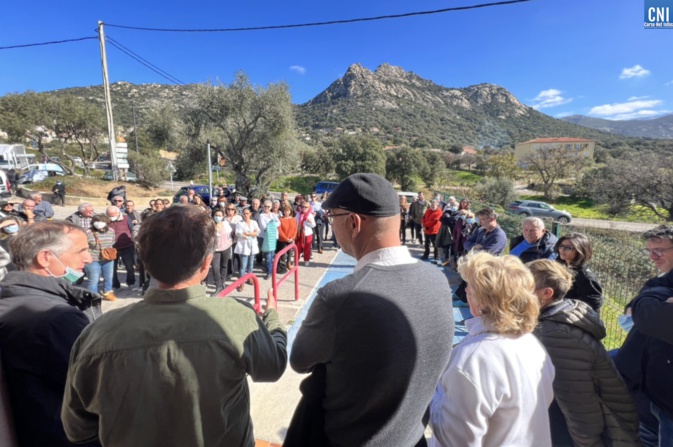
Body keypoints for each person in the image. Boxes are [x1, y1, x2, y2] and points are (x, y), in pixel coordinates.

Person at [61, 206, 287, 446]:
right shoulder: (236, 316)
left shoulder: (97, 333)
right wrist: (272, 318)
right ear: (206, 263)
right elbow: (273, 367)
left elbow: (77, 429)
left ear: (145, 261)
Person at [287, 173, 455, 446]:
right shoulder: (437, 280)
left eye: (333, 217)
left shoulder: (339, 297)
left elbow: (300, 361)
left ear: (353, 222)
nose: (332, 224)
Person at [430, 252, 555, 447]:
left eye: (470, 286)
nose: (466, 290)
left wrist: (431, 393)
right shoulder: (532, 344)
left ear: (483, 301)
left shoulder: (473, 358)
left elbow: (454, 439)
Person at [0, 221, 101, 447]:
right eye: (81, 251)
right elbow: (96, 389)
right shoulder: (57, 318)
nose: (89, 259)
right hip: (66, 435)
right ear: (45, 258)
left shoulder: (12, 299)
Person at [527, 259, 640, 446]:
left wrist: (586, 442)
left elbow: (579, 405)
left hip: (578, 432)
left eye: (523, 287)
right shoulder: (563, 313)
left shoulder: (556, 334)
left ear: (546, 293)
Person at [615, 225, 673, 447]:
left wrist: (643, 304)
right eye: (649, 251)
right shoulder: (666, 279)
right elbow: (640, 305)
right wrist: (643, 302)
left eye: (659, 250)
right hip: (654, 392)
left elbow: (652, 316)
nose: (652, 257)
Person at [554, 232, 603, 313]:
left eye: (568, 248)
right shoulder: (561, 267)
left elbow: (591, 309)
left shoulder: (586, 278)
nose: (561, 250)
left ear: (580, 251)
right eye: (560, 246)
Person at [83, 214, 117, 302]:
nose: (98, 223)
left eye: (101, 221)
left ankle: (107, 293)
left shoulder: (111, 231)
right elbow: (82, 245)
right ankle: (92, 297)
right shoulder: (88, 232)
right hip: (93, 259)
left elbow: (113, 241)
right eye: (96, 221)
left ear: (106, 222)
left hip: (108, 258)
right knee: (93, 279)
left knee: (109, 278)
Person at [106, 205, 135, 289]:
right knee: (112, 268)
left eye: (113, 215)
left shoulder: (126, 218)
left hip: (127, 246)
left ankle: (130, 282)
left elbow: (132, 229)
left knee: (129, 266)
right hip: (112, 248)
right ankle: (115, 284)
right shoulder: (105, 220)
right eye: (110, 215)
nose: (111, 217)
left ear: (118, 213)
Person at [234, 207, 260, 291]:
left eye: (247, 213)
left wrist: (248, 234)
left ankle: (249, 278)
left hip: (252, 246)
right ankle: (241, 283)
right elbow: (238, 234)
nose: (245, 215)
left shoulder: (254, 222)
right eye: (244, 213)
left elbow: (257, 233)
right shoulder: (240, 223)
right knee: (243, 266)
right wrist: (250, 235)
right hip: (244, 247)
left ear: (250, 214)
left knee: (251, 264)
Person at [211, 208, 234, 294]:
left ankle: (222, 283)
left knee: (224, 266)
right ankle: (218, 285)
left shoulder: (226, 224)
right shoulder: (211, 225)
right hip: (215, 249)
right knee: (215, 267)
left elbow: (230, 234)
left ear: (223, 216)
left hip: (225, 247)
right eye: (216, 215)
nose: (218, 217)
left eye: (219, 215)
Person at [276, 205, 297, 272]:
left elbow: (295, 229)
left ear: (290, 211)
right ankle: (282, 266)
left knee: (290, 252)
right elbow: (279, 230)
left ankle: (289, 263)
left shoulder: (293, 219)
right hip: (283, 240)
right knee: (283, 254)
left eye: (288, 210)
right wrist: (286, 238)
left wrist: (292, 238)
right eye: (285, 210)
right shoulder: (280, 219)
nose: (286, 212)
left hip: (291, 239)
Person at [295, 200, 316, 267]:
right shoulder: (298, 214)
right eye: (302, 207)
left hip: (307, 233)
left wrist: (310, 222)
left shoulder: (310, 215)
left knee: (307, 248)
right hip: (299, 233)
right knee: (297, 247)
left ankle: (306, 260)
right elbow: (295, 223)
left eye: (305, 207)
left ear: (308, 208)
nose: (303, 208)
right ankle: (296, 260)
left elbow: (314, 225)